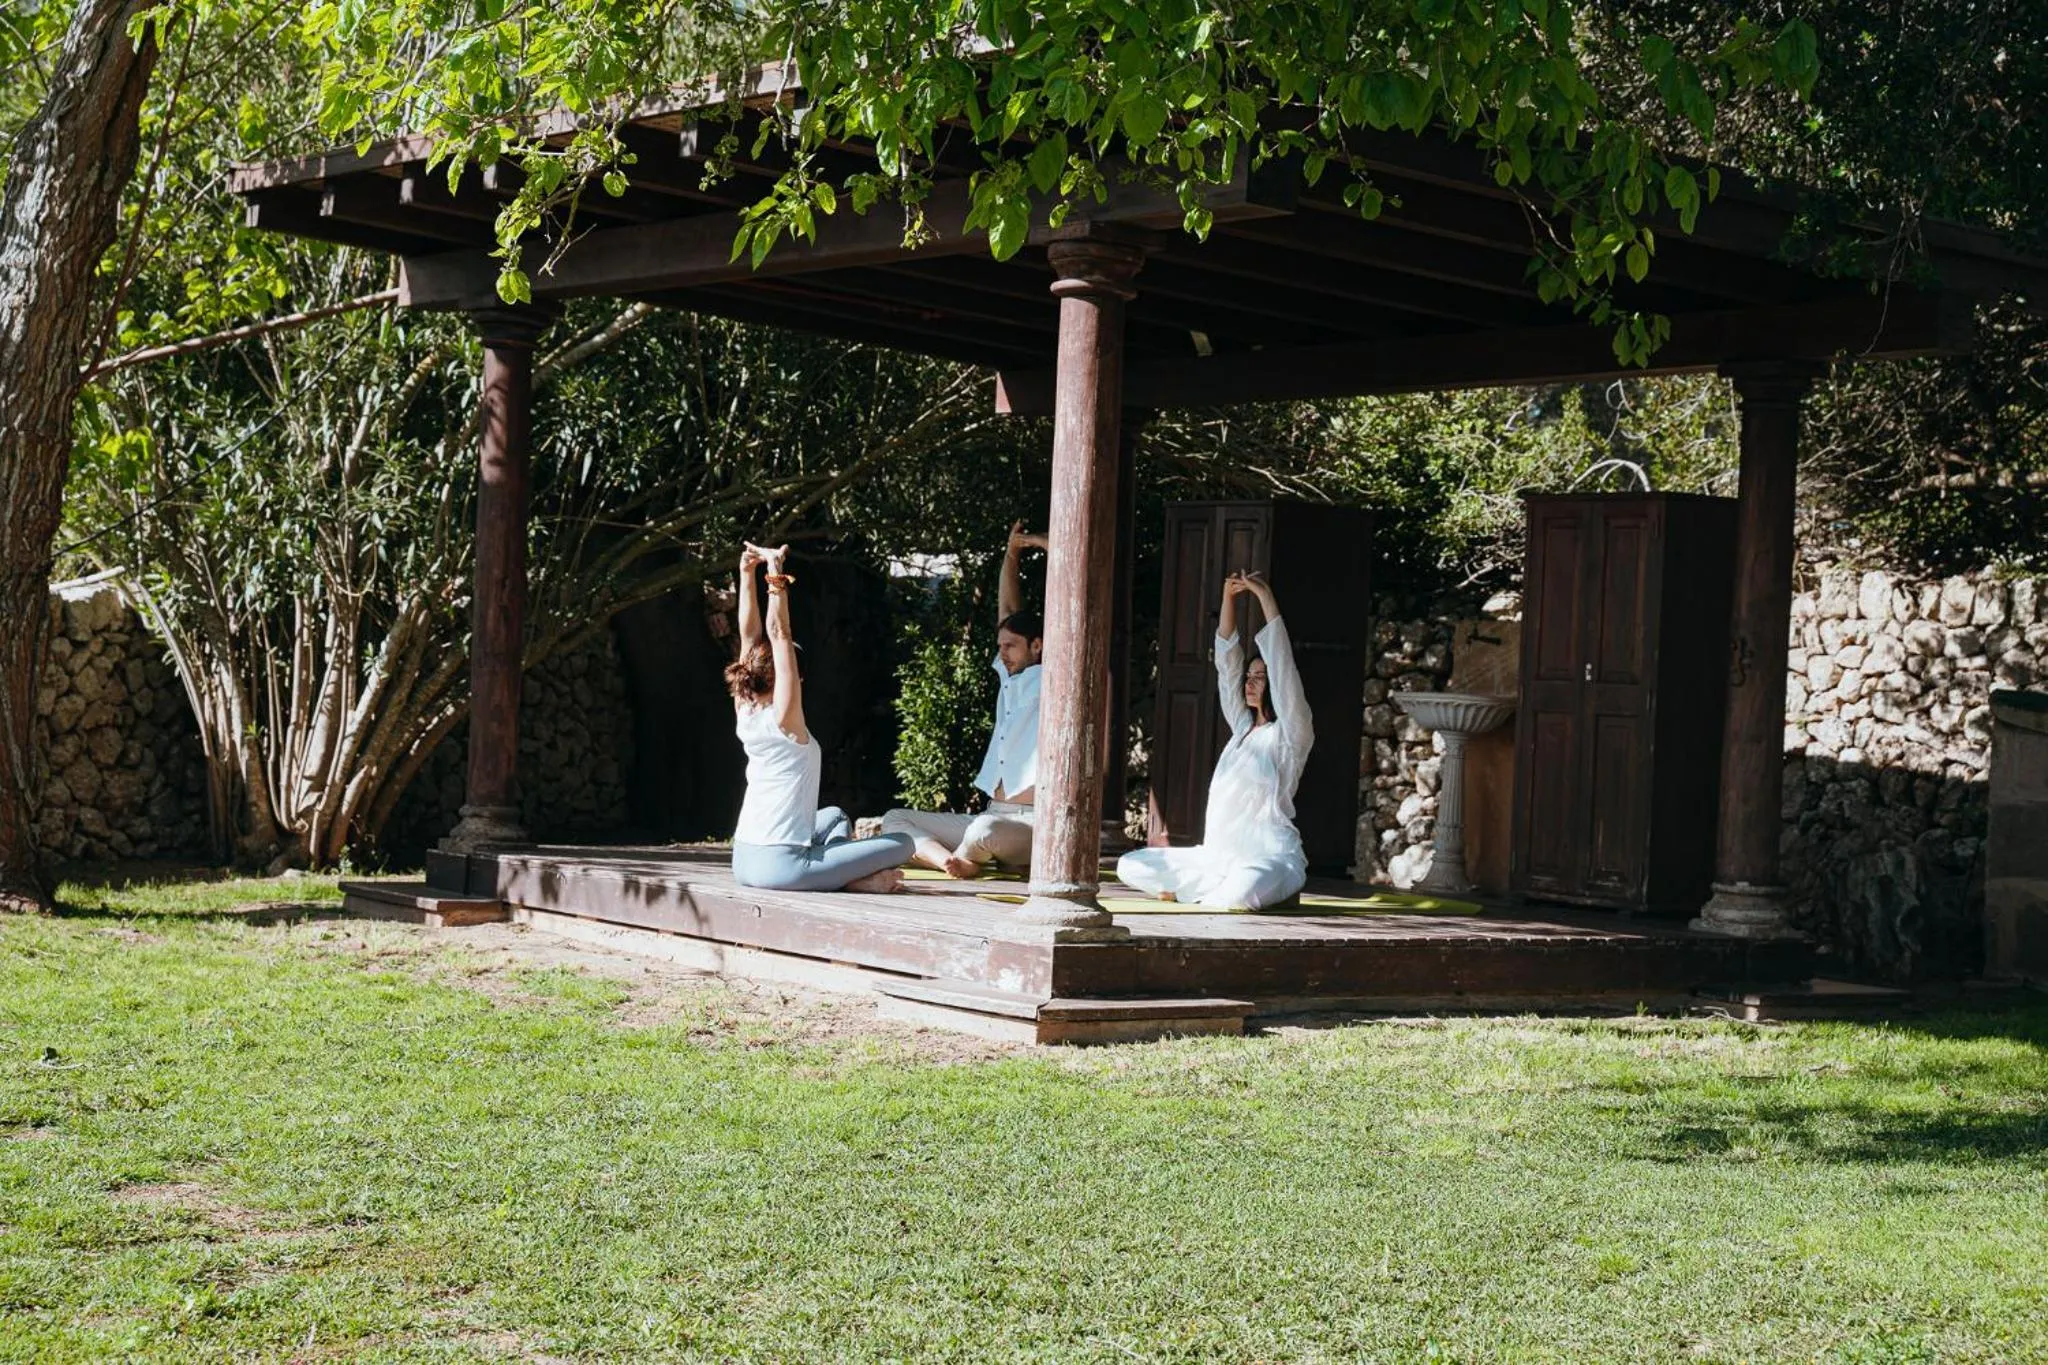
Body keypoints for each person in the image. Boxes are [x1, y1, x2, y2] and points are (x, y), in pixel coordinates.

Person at [1116, 570, 1314, 910]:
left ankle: (1220, 892)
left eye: (1260, 677)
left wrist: (1265, 598)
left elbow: (1283, 667)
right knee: (1130, 865)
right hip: (1218, 859)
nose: (1249, 683)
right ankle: (1211, 891)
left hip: (1269, 858)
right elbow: (1227, 665)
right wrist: (1228, 598)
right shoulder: (1241, 729)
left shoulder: (1291, 734)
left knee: (1242, 891)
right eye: (1249, 676)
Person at [727, 542, 914, 892]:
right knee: (904, 843)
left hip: (744, 859)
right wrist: (775, 575)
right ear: (794, 678)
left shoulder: (746, 709)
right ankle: (854, 882)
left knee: (835, 817)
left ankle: (841, 874)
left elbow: (749, 636)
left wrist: (746, 573)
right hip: (782, 867)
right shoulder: (785, 719)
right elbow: (778, 634)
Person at [882, 520, 1046, 878]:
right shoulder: (1009, 676)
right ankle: (949, 860)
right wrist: (1011, 554)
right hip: (992, 813)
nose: (1002, 653)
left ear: (1037, 645)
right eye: (1000, 646)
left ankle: (971, 855)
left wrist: (1048, 546)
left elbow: (1074, 602)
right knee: (894, 818)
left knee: (983, 831)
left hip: (1031, 822)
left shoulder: (1055, 678)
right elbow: (1007, 610)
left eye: (1010, 646)